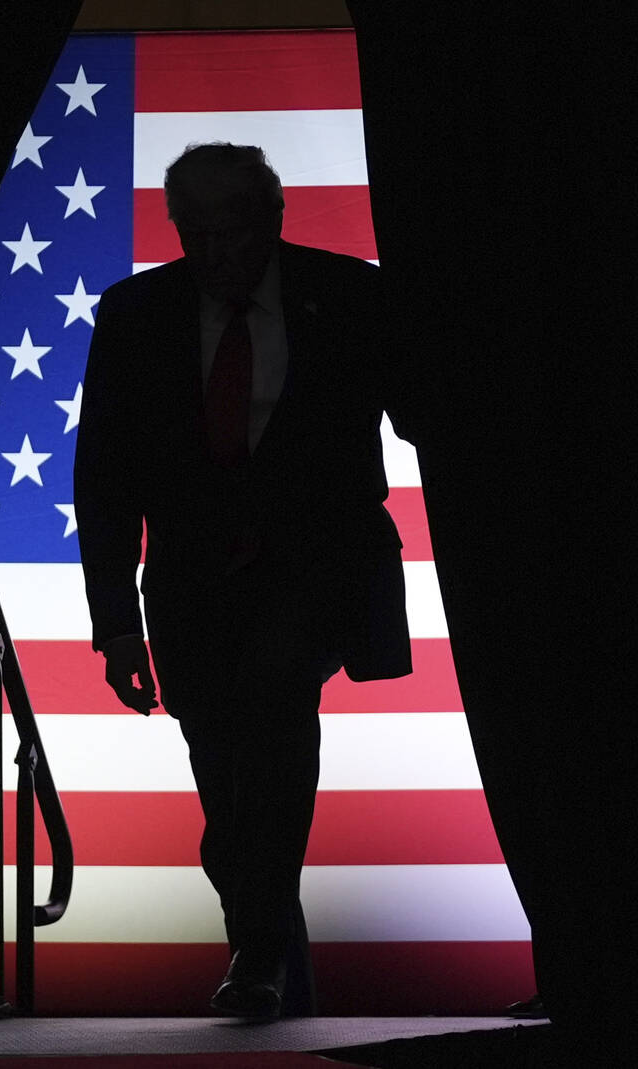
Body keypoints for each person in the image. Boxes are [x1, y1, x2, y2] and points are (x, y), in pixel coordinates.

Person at [73, 142, 415, 1019]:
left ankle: (258, 947)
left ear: (276, 220)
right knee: (223, 765)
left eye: (237, 231)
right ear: (178, 230)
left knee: (274, 709)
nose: (220, 253)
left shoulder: (349, 298)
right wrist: (115, 624)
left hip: (310, 574)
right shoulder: (137, 312)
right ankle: (267, 940)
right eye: (199, 233)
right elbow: (104, 475)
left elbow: (422, 410)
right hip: (188, 587)